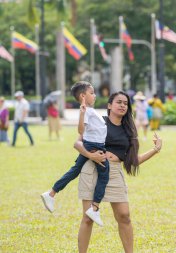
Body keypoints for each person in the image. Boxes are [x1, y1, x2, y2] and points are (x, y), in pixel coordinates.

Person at [75, 91, 162, 253]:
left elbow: (133, 160)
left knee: (124, 215)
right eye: (119, 102)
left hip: (114, 172)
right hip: (92, 169)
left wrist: (155, 150)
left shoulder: (128, 130)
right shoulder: (99, 121)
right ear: (109, 105)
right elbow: (78, 142)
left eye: (125, 103)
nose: (122, 105)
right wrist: (90, 155)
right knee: (88, 218)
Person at [41, 81, 109, 226]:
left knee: (74, 170)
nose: (95, 95)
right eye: (92, 93)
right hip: (95, 146)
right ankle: (94, 208)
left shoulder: (91, 111)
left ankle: (51, 193)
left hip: (92, 144)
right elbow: (80, 131)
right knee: (104, 175)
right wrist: (82, 113)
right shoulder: (86, 111)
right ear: (83, 96)